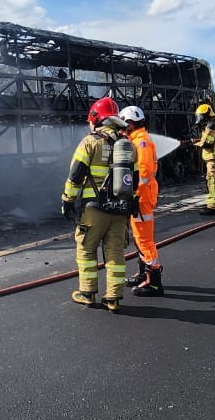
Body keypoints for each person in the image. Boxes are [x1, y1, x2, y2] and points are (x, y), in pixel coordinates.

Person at [61, 96, 137, 314]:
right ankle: (113, 297)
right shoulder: (128, 146)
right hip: (120, 209)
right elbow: (136, 178)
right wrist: (131, 204)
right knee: (115, 254)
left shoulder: (90, 141)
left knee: (86, 250)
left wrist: (67, 200)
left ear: (96, 118)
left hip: (94, 210)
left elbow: (75, 175)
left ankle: (87, 293)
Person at [119, 105, 163, 296]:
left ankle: (153, 282)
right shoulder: (136, 139)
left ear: (131, 122)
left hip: (142, 197)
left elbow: (144, 173)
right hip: (140, 195)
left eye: (124, 123)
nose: (121, 127)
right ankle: (143, 274)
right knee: (139, 238)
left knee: (144, 240)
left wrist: (135, 195)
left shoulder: (141, 142)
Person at [193, 104, 215, 213]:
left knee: (212, 181)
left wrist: (193, 143)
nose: (200, 118)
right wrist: (196, 140)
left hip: (213, 158)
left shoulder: (211, 125)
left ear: (206, 115)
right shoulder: (212, 125)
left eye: (201, 116)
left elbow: (207, 143)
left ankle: (212, 206)